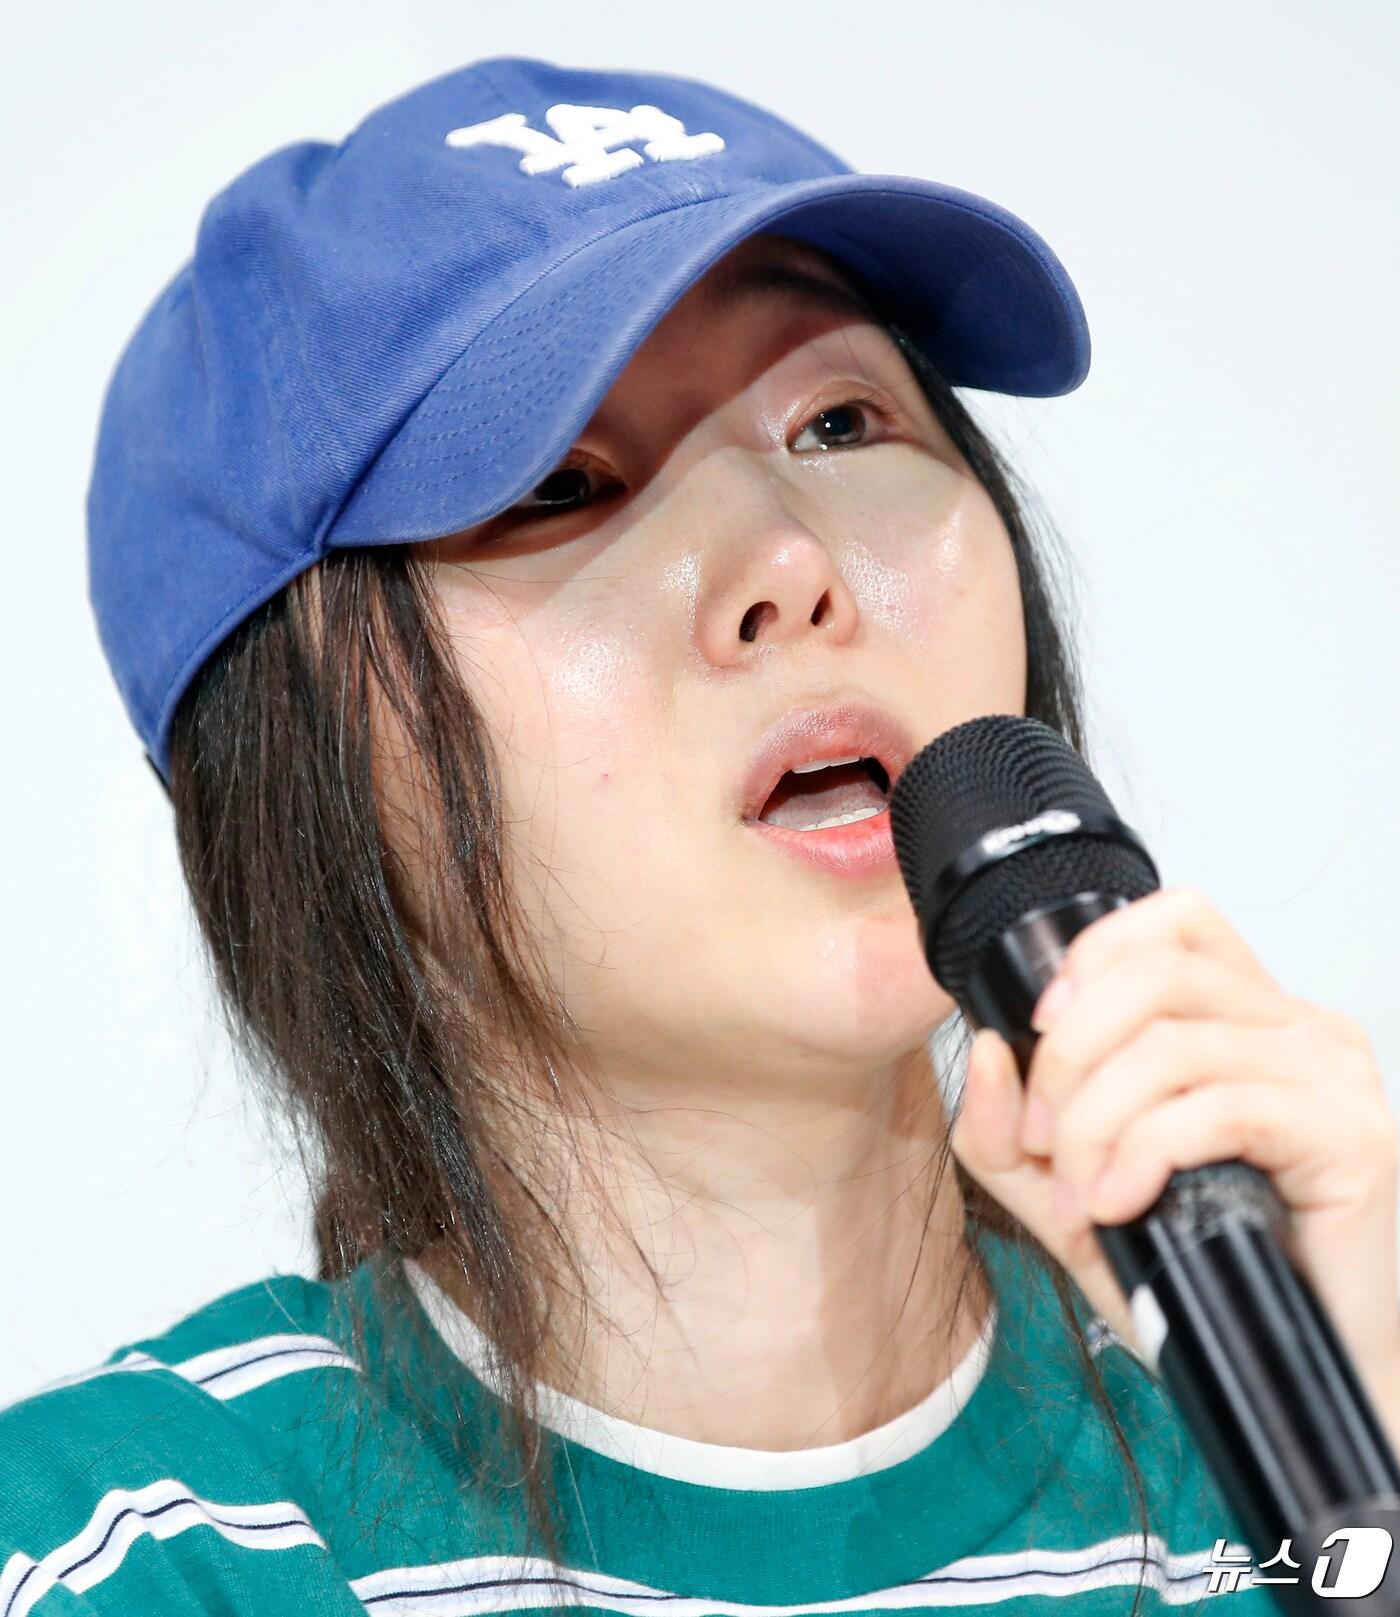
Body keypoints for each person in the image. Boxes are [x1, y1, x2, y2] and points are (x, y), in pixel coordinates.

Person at [3, 55, 1396, 1616]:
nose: (791, 561)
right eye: (560, 484)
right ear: (288, 773)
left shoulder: (1295, 1492)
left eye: (843, 420)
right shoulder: (132, 1552)